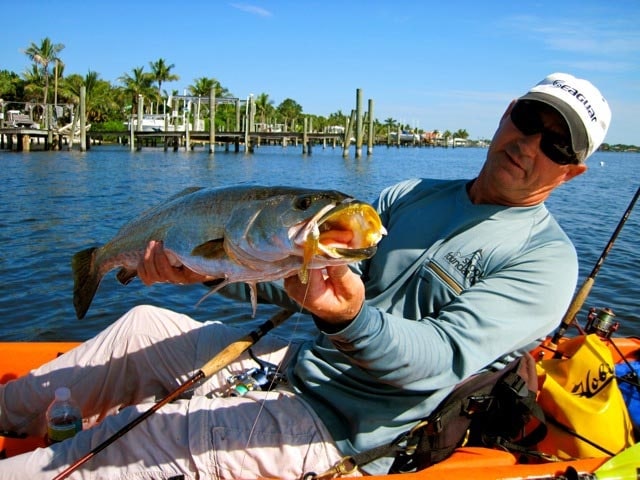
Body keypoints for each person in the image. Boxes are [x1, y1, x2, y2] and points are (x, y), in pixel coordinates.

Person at [0, 72, 611, 479]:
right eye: (530, 120)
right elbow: (303, 279)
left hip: (345, 424)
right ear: (507, 115)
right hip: (292, 358)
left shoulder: (546, 261)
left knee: (125, 449)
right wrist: (203, 270)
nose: (532, 144)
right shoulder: (410, 194)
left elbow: (436, 361)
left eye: (558, 147)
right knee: (137, 325)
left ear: (573, 173)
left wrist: (350, 318)